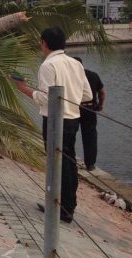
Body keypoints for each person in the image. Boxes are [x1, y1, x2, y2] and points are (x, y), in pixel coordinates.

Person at [14, 26, 92, 223]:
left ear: (43, 43)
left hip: (55, 120)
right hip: (73, 118)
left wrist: (23, 89)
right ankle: (67, 204)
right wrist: (69, 97)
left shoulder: (48, 66)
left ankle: (62, 208)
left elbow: (46, 98)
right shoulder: (76, 64)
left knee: (58, 163)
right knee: (69, 161)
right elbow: (87, 95)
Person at [73, 57, 105, 171]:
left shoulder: (70, 77)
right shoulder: (93, 75)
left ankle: (70, 160)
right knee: (90, 137)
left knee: (70, 135)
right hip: (90, 109)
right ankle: (90, 164)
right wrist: (100, 105)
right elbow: (101, 92)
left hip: (74, 108)